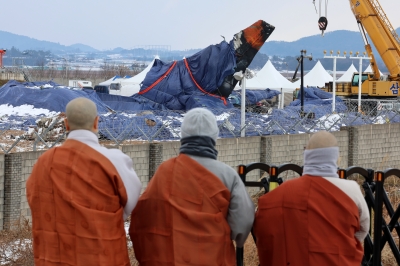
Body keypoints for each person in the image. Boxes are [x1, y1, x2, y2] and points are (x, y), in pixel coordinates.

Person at [129, 107, 254, 265]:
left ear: (183, 135)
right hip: (213, 258)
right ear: (214, 136)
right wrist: (238, 240)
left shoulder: (165, 171)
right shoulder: (227, 175)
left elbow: (143, 216)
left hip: (169, 259)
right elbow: (242, 223)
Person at [27, 97, 142, 266]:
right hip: (104, 257)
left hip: (54, 258)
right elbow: (129, 205)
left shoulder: (44, 163)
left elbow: (35, 201)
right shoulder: (115, 161)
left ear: (66, 124)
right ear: (97, 122)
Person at [254, 131, 369, 266]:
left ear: (306, 156)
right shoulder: (351, 189)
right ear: (337, 158)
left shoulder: (277, 195)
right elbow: (363, 229)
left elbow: (263, 233)